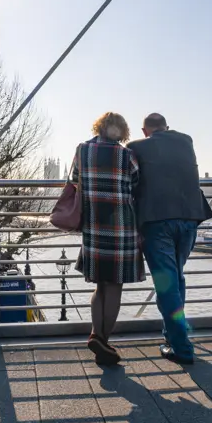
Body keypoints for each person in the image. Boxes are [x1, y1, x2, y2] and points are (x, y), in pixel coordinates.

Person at [128, 113, 212, 365]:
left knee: (167, 284)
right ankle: (173, 336)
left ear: (145, 131)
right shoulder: (186, 140)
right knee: (176, 278)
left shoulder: (136, 147)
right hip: (189, 218)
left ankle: (182, 348)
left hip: (157, 222)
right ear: (167, 127)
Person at [72, 112, 145, 365]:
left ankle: (96, 335)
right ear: (122, 131)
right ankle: (103, 340)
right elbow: (137, 185)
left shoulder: (82, 151)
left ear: (99, 127)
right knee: (115, 285)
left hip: (93, 225)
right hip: (121, 226)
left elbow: (74, 181)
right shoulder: (127, 155)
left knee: (100, 285)